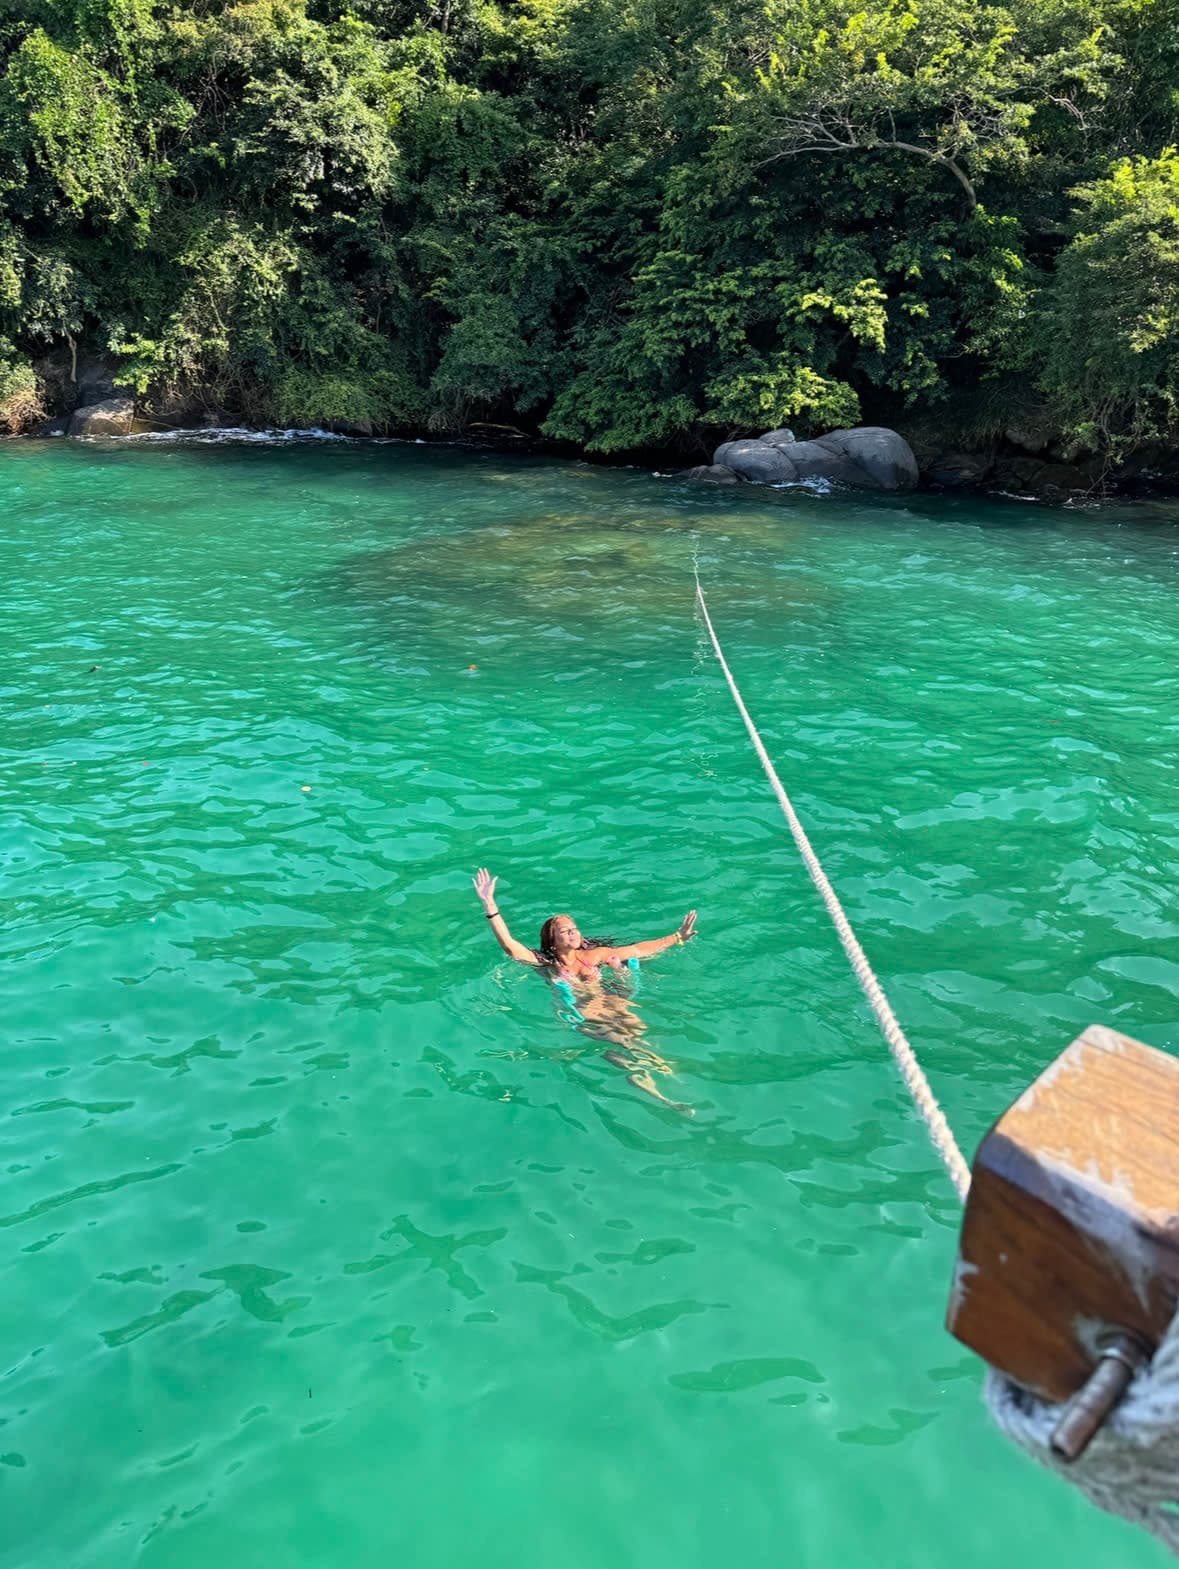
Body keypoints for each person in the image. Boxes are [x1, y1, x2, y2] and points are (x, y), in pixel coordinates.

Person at [472, 868, 697, 1112]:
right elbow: (511, 948)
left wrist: (678, 936)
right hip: (584, 1011)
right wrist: (490, 905)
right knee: (624, 1041)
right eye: (565, 931)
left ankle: (661, 1083)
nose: (574, 932)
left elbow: (638, 949)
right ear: (553, 941)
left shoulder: (594, 955)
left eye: (575, 928)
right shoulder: (548, 964)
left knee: (641, 1038)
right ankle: (666, 1098)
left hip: (613, 1003)